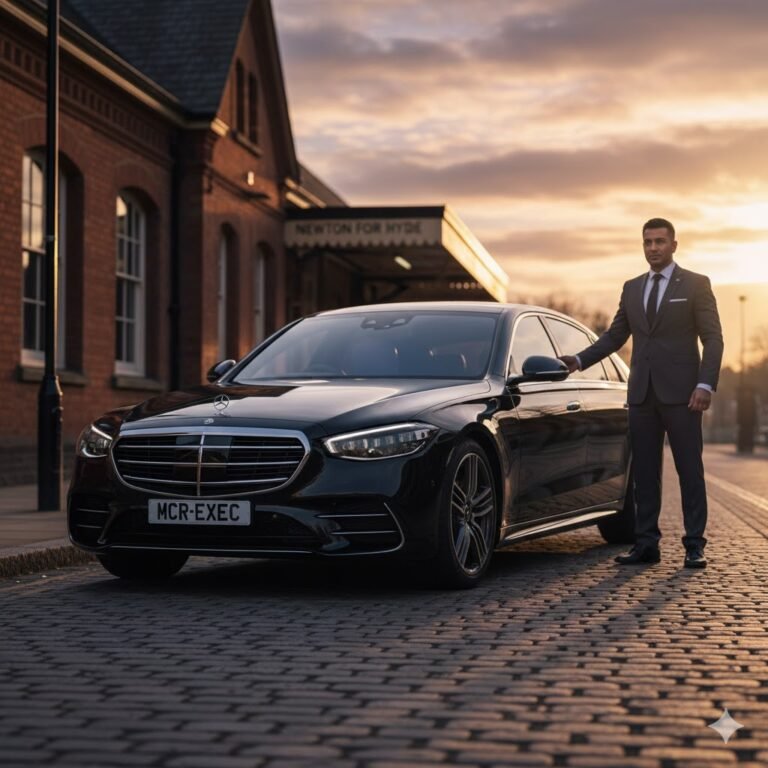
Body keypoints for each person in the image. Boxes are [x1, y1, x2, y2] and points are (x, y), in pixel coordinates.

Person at [560, 218, 723, 568]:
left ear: (673, 245)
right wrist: (579, 359)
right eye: (648, 242)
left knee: (689, 471)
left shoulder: (696, 284)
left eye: (660, 241)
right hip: (641, 396)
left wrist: (705, 384)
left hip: (684, 395)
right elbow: (614, 336)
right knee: (645, 474)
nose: (653, 248)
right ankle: (646, 544)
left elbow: (713, 338)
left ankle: (695, 545)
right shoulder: (632, 288)